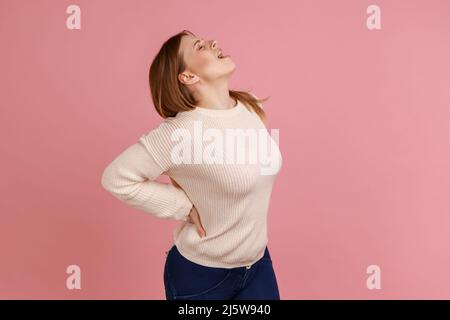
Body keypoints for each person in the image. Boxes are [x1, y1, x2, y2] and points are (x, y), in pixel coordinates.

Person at [101, 29, 283, 300]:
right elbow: (116, 178)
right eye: (200, 46)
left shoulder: (249, 106)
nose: (213, 43)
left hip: (257, 265)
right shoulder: (178, 133)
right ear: (188, 76)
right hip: (202, 277)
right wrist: (183, 206)